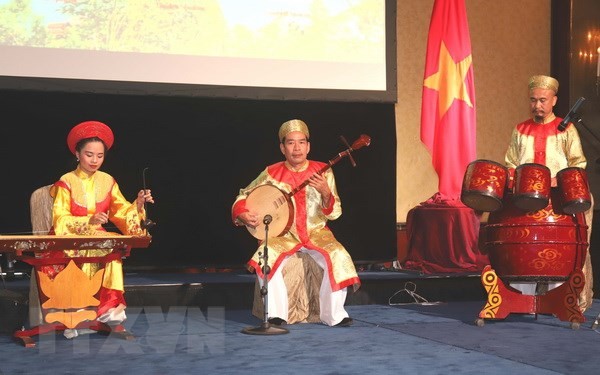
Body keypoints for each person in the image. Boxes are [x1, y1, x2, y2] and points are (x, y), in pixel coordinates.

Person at [232, 119, 360, 327]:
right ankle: (275, 314)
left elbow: (335, 213)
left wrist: (326, 193)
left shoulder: (323, 170)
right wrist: (243, 213)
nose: (297, 147)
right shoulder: (272, 172)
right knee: (266, 255)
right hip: (283, 235)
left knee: (338, 254)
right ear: (282, 148)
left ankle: (335, 315)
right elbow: (244, 195)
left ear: (308, 146)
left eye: (301, 142)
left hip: (316, 233)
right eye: (291, 143)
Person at [40, 120, 154, 338]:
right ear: (77, 154)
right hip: (70, 240)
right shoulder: (67, 181)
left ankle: (109, 313)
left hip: (98, 239)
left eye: (100, 156)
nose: (94, 160)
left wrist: (138, 205)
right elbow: (60, 218)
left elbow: (121, 212)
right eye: (89, 154)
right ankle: (79, 313)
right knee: (91, 252)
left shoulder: (108, 181)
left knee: (112, 252)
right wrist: (89, 222)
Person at [505, 75, 593, 310]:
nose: (537, 105)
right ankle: (532, 300)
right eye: (533, 100)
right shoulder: (520, 129)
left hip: (563, 197)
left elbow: (579, 163)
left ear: (554, 100)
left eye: (543, 100)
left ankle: (577, 301)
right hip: (530, 199)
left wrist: (558, 179)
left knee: (575, 248)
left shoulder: (568, 129)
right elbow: (511, 163)